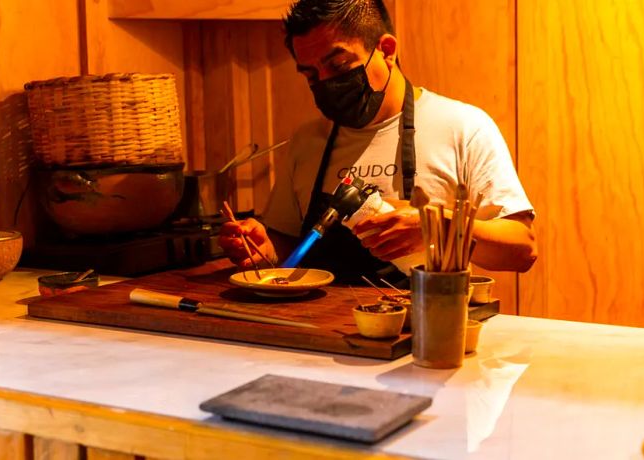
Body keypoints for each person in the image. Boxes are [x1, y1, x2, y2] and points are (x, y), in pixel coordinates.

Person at [219, 0, 537, 285]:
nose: (327, 83)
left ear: (386, 49)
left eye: (340, 66)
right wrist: (265, 248)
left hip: (425, 332)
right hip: (317, 332)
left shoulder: (462, 127)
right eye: (311, 76)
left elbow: (522, 250)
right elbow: (290, 245)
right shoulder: (308, 141)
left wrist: (438, 227)